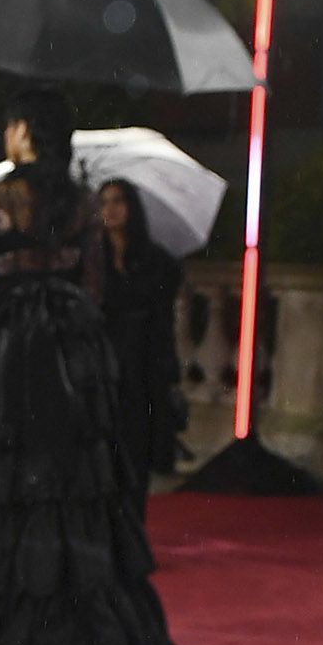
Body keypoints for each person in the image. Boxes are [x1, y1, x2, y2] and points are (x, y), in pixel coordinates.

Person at [0, 88, 236, 645]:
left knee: (1, 484)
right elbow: (93, 287)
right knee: (70, 488)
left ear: (25, 132)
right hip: (71, 349)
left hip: (7, 355)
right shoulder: (83, 202)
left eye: (12, 126)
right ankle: (67, 633)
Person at [96, 178, 186, 519]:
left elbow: (163, 321)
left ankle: (132, 530)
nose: (111, 209)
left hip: (142, 366)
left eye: (118, 201)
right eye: (104, 202)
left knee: (136, 452)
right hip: (103, 364)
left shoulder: (155, 260)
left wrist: (169, 372)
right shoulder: (91, 259)